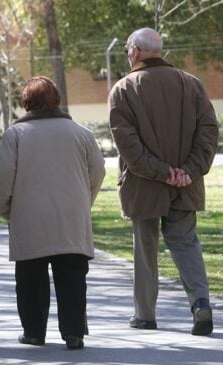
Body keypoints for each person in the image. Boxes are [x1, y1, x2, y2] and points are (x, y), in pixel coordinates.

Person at [108, 27, 219, 336]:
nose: (128, 54)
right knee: (186, 243)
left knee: (145, 248)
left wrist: (161, 172)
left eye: (129, 49)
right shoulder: (191, 85)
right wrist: (188, 170)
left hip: (144, 185)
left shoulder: (123, 89)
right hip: (186, 183)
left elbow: (127, 144)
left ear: (136, 51)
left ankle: (145, 314)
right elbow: (209, 132)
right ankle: (200, 303)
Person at [0, 76, 105, 349]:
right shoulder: (81, 133)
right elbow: (98, 172)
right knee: (73, 278)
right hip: (71, 216)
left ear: (26, 103)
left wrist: (7, 208)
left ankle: (33, 331)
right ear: (57, 100)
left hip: (30, 216)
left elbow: (2, 176)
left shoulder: (15, 135)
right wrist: (83, 201)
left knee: (30, 278)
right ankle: (74, 332)